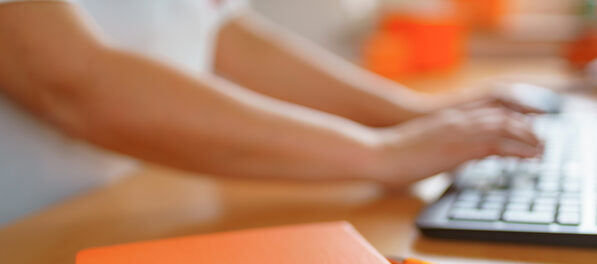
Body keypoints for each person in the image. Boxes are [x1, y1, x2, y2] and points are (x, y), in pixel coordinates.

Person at [0, 0, 542, 223]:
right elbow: (74, 82)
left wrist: (409, 114)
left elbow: (222, 33)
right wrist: (381, 155)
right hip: (22, 249)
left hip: (114, 215)